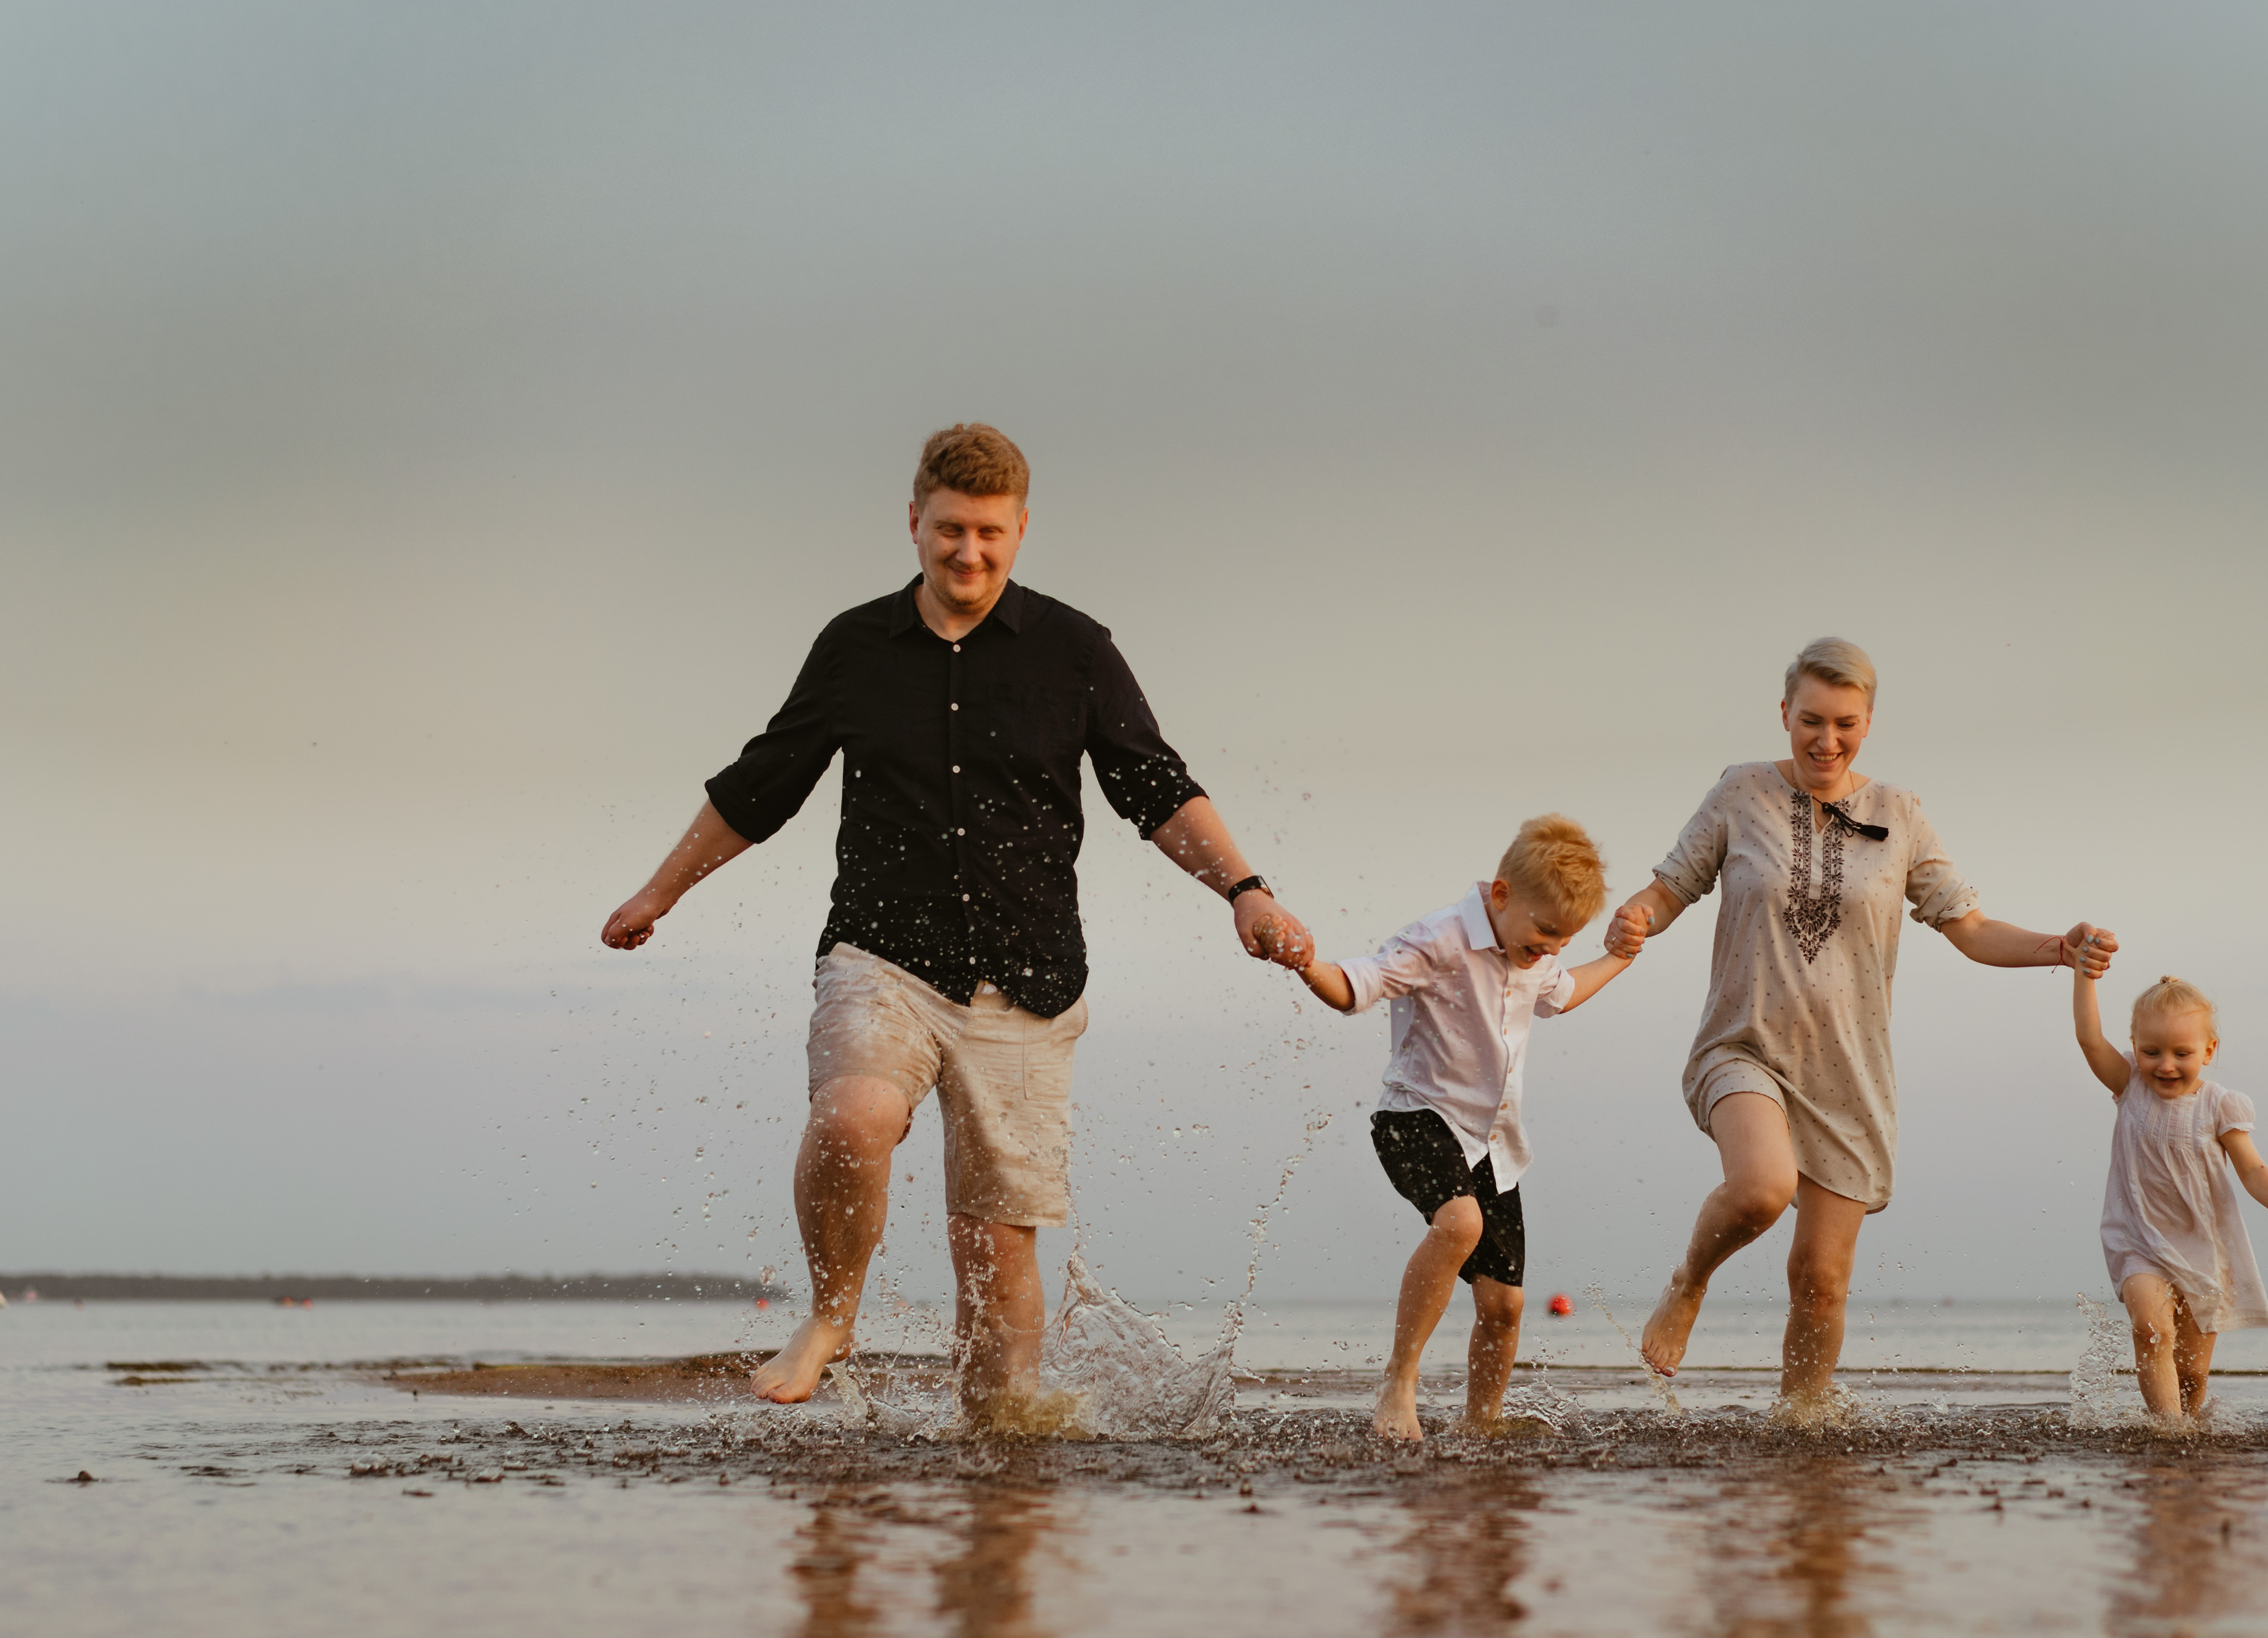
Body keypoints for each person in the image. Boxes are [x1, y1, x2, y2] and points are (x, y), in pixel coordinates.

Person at [599, 423, 1313, 1418]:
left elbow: (1154, 788)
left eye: (988, 533)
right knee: (854, 1118)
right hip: (883, 957)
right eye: (947, 531)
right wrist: (658, 893)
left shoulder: (1074, 651)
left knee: (994, 1244)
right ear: (913, 523)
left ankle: (1000, 1445)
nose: (966, 553)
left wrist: (1246, 888)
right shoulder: (855, 648)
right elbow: (764, 784)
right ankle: (831, 1314)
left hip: (1028, 978)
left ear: (1020, 529)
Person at [1605, 636, 2118, 1414]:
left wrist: (2060, 947)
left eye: (1845, 723)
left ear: (1869, 721)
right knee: (1761, 1189)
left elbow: (1969, 928)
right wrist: (1633, 921)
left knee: (1822, 1281)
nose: (1826, 739)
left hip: (1850, 1073)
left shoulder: (1901, 815)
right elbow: (1670, 888)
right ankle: (1689, 1283)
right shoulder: (1739, 793)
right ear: (1784, 713)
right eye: (1811, 720)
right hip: (1744, 1046)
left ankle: (1801, 1427)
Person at [1291, 816, 1642, 1440]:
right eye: (1544, 935)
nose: (1552, 949)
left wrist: (1616, 957)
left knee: (1505, 1306)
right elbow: (1356, 987)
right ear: (1501, 895)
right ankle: (1399, 1385)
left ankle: (1482, 1425)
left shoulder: (1532, 946)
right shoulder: (1439, 938)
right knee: (1460, 1222)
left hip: (1492, 1143)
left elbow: (1561, 993)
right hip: (1415, 1117)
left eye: (1565, 938)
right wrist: (1304, 963)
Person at [2071, 965, 2268, 1421]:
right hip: (2138, 1240)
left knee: (2193, 1372)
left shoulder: (2219, 1104)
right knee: (2151, 1330)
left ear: (2209, 1050)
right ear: (2134, 1046)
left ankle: (2192, 1431)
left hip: (2204, 1250)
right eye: (2151, 1051)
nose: (2165, 1064)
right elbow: (2088, 1039)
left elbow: (2252, 1165)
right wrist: (2085, 975)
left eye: (2182, 1053)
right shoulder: (2129, 1086)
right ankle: (2168, 1433)